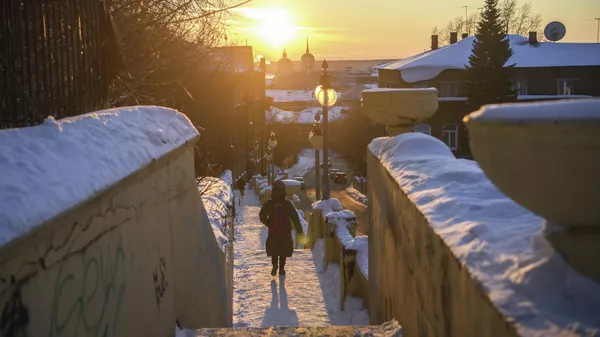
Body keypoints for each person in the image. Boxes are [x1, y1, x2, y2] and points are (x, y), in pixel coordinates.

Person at [259, 180, 304, 276]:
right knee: (283, 250)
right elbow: (295, 218)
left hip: (273, 231)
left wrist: (269, 223)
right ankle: (282, 269)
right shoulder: (287, 204)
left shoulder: (269, 203)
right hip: (285, 232)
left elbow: (261, 215)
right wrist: (300, 231)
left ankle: (274, 265)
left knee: (274, 249)